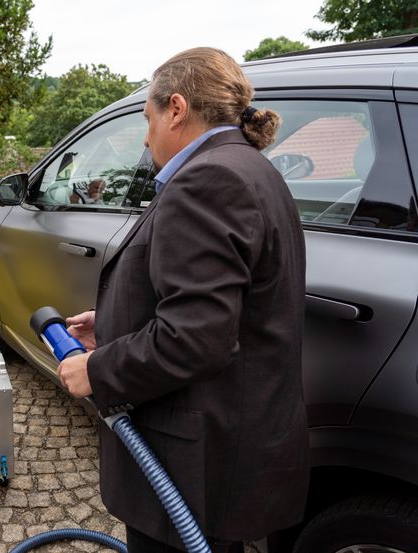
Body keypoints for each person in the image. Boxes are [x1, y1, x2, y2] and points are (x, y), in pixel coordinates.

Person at [58, 47, 309, 553]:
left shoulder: (208, 180)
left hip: (195, 465)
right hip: (229, 448)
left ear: (176, 108)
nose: (146, 136)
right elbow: (215, 306)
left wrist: (97, 370)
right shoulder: (249, 166)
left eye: (147, 118)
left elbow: (196, 338)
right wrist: (110, 323)